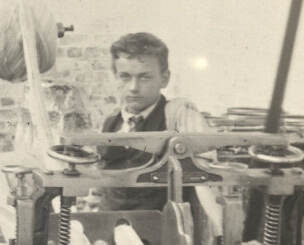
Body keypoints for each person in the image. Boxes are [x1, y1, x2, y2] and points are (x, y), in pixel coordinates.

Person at [94, 31, 219, 234]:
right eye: (125, 77)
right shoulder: (111, 122)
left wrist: (221, 234)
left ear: (164, 78)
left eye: (145, 77)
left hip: (162, 240)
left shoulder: (178, 114)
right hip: (109, 233)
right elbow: (100, 187)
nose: (133, 87)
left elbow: (204, 179)